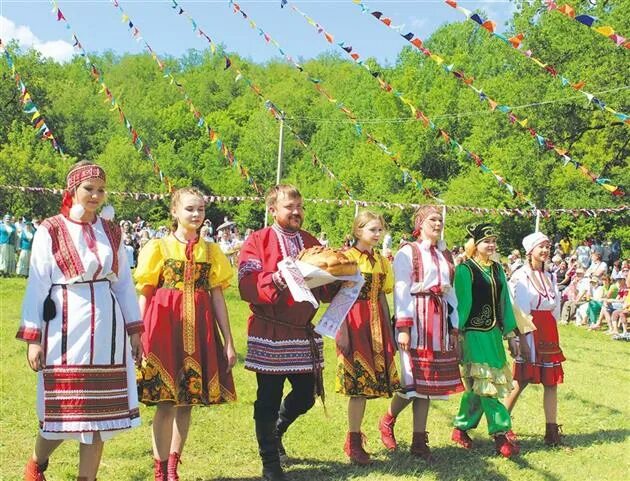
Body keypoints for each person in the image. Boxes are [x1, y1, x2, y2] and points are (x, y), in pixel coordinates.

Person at [17, 161, 143, 481]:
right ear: (72, 190)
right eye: (89, 189)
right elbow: (37, 283)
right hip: (64, 323)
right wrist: (34, 338)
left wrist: (135, 331)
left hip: (107, 328)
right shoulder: (51, 229)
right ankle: (37, 463)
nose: (96, 195)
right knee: (64, 411)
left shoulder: (112, 231)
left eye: (101, 190)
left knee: (99, 416)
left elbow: (124, 285)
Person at [135, 187, 237, 481]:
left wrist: (228, 341)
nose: (196, 214)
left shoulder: (211, 251)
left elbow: (218, 298)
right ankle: (159, 468)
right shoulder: (159, 248)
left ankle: (173, 466)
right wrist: (138, 333)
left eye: (201, 209)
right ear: (175, 212)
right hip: (165, 328)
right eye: (190, 209)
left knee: (187, 401)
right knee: (166, 402)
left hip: (199, 329)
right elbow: (146, 292)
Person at [237, 184, 337, 481]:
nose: (296, 212)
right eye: (289, 207)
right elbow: (247, 284)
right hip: (271, 329)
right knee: (268, 396)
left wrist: (343, 276)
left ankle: (277, 431)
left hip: (302, 332)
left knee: (306, 395)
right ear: (272, 210)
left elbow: (327, 286)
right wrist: (278, 278)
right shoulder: (258, 241)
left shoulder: (311, 241)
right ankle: (270, 462)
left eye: (299, 207)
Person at [378, 205, 462, 460]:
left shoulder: (445, 253)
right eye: (433, 220)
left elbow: (450, 292)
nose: (438, 224)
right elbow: (402, 290)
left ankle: (418, 441)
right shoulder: (408, 252)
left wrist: (454, 324)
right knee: (411, 383)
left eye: (440, 220)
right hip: (416, 320)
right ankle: (388, 420)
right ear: (421, 224)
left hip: (438, 322)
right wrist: (403, 327)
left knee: (428, 385)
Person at [335, 211, 400, 464]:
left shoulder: (382, 261)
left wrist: (390, 333)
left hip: (376, 324)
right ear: (358, 230)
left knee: (370, 385)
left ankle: (356, 439)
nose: (377, 234)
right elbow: (340, 296)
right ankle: (353, 441)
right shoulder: (347, 258)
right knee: (357, 387)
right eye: (372, 230)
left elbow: (383, 296)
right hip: (354, 321)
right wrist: (341, 331)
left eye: (379, 230)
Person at [451, 224, 520, 457]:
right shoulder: (465, 270)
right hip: (473, 332)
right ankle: (501, 433)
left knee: (479, 385)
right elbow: (461, 305)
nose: (490, 245)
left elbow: (505, 304)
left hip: (493, 334)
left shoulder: (498, 269)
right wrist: (457, 335)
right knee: (487, 387)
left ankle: (461, 427)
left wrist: (511, 334)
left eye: (493, 240)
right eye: (485, 241)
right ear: (475, 243)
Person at [505, 232, 565, 446]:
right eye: (541, 247)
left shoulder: (550, 276)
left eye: (547, 247)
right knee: (521, 379)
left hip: (548, 329)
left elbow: (554, 307)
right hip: (530, 328)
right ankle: (502, 425)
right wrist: (522, 340)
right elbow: (520, 310)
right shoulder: (521, 275)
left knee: (551, 382)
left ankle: (551, 430)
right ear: (529, 251)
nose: (545, 251)